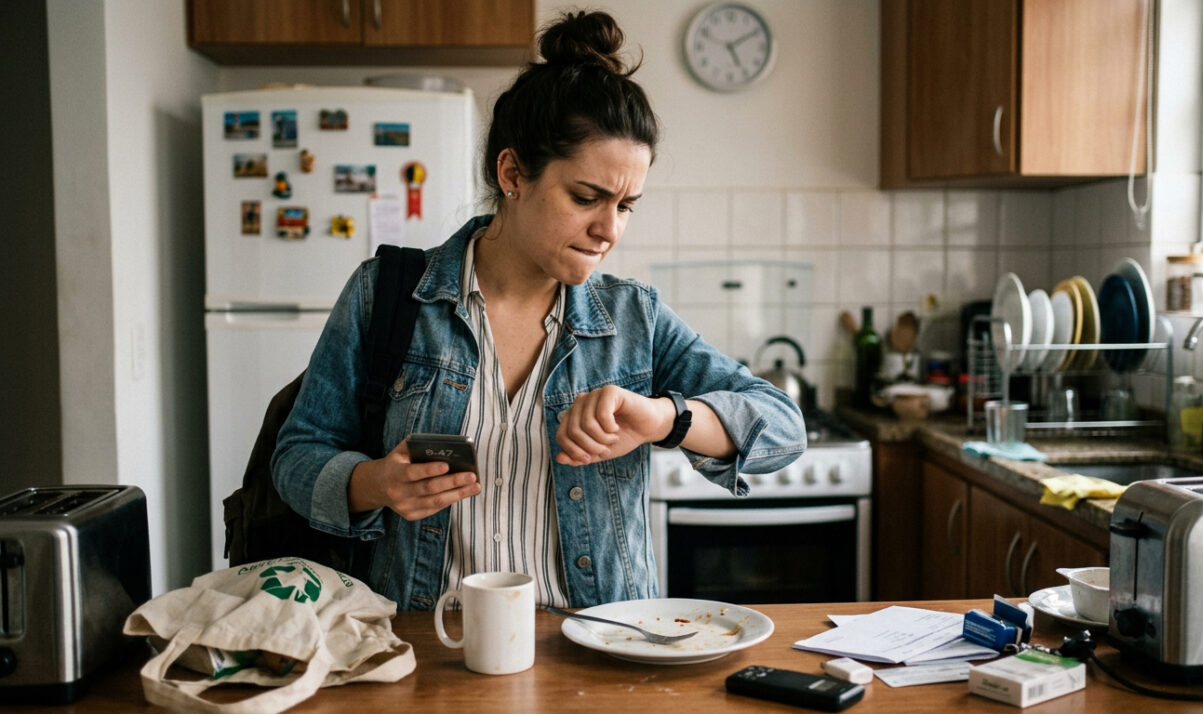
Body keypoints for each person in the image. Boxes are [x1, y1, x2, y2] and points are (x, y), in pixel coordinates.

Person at [271, 10, 806, 611]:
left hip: (599, 648)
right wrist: (376, 483)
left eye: (627, 205)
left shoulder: (633, 318)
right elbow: (296, 456)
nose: (609, 230)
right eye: (586, 198)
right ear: (512, 173)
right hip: (430, 648)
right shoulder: (387, 296)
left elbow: (784, 427)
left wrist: (662, 420)